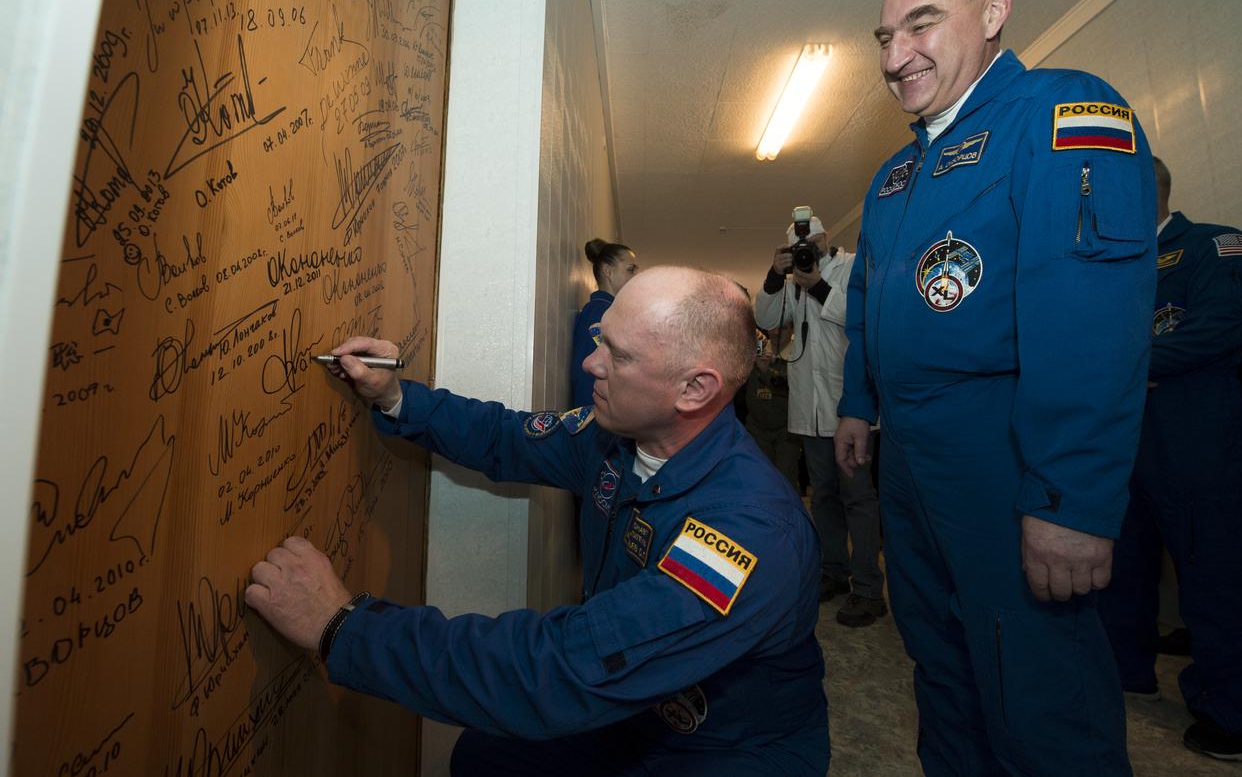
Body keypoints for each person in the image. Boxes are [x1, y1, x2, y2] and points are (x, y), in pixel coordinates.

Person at [245, 267, 830, 775]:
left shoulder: (748, 533)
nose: (589, 362)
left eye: (618, 356)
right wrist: (394, 395)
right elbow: (508, 438)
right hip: (633, 713)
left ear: (694, 388)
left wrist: (342, 627)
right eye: (603, 340)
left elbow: (565, 667)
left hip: (724, 751)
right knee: (484, 756)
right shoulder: (616, 440)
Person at [835, 0, 1156, 774]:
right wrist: (856, 403)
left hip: (1004, 455)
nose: (895, 54)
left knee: (1038, 691)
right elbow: (870, 298)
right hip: (909, 460)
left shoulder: (1061, 114)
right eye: (884, 37)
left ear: (994, 10)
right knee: (942, 669)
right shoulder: (894, 177)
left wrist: (1069, 497)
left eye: (921, 24)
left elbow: (1090, 322)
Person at [1097, 157, 1242, 760]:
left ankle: (1231, 710)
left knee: (1213, 575)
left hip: (1195, 444)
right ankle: (1127, 668)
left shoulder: (1216, 246)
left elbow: (1219, 331)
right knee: (1122, 567)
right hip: (1124, 444)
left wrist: (1124, 366)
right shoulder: (1108, 265)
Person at [756, 209, 885, 628]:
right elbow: (767, 320)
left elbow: (858, 317)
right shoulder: (792, 282)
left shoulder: (850, 267)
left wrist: (819, 286)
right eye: (798, 250)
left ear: (827, 238)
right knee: (824, 498)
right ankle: (834, 572)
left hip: (850, 409)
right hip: (808, 413)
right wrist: (777, 279)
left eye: (811, 245)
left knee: (859, 501)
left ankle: (868, 588)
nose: (806, 253)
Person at [571, 239, 637, 408]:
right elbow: (588, 375)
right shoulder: (599, 314)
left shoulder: (609, 312)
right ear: (608, 271)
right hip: (598, 421)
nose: (636, 277)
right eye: (630, 270)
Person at [743, 329, 802, 494]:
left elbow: (793, 388)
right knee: (759, 481)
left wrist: (766, 371)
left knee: (785, 481)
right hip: (757, 428)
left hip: (786, 430)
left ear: (791, 327)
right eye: (772, 326)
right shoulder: (760, 346)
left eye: (781, 327)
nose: (776, 331)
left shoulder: (797, 351)